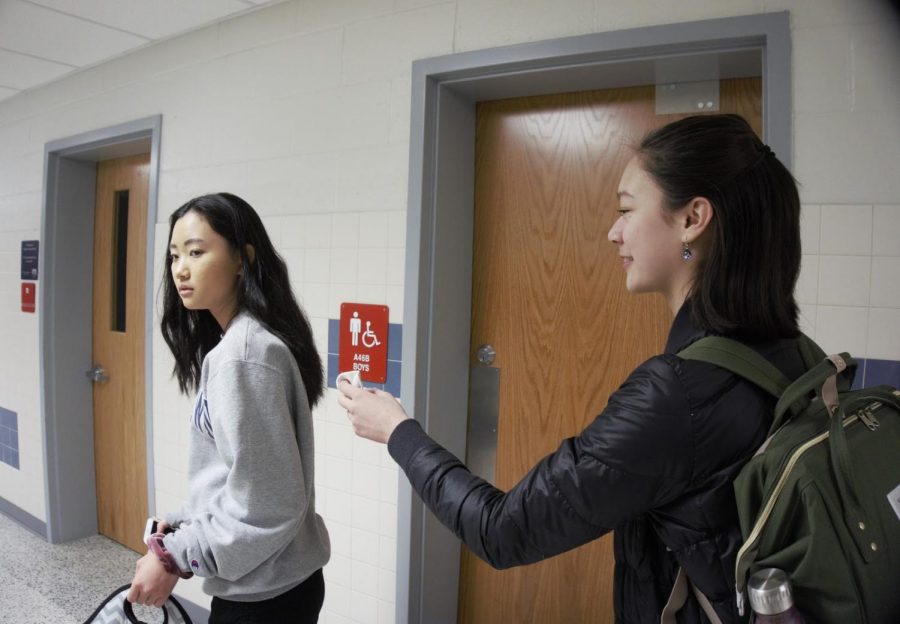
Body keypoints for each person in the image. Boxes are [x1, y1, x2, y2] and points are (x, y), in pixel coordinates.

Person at [337, 114, 805, 623]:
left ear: (693, 219)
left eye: (627, 209)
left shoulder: (678, 395)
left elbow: (502, 531)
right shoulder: (796, 354)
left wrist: (398, 432)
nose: (613, 232)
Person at [128, 193, 330, 624]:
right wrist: (180, 527)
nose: (180, 268)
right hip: (271, 580)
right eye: (174, 255)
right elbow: (239, 478)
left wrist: (175, 559)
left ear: (243, 258)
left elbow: (267, 506)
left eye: (197, 252)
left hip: (265, 594)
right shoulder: (243, 344)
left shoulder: (244, 355)